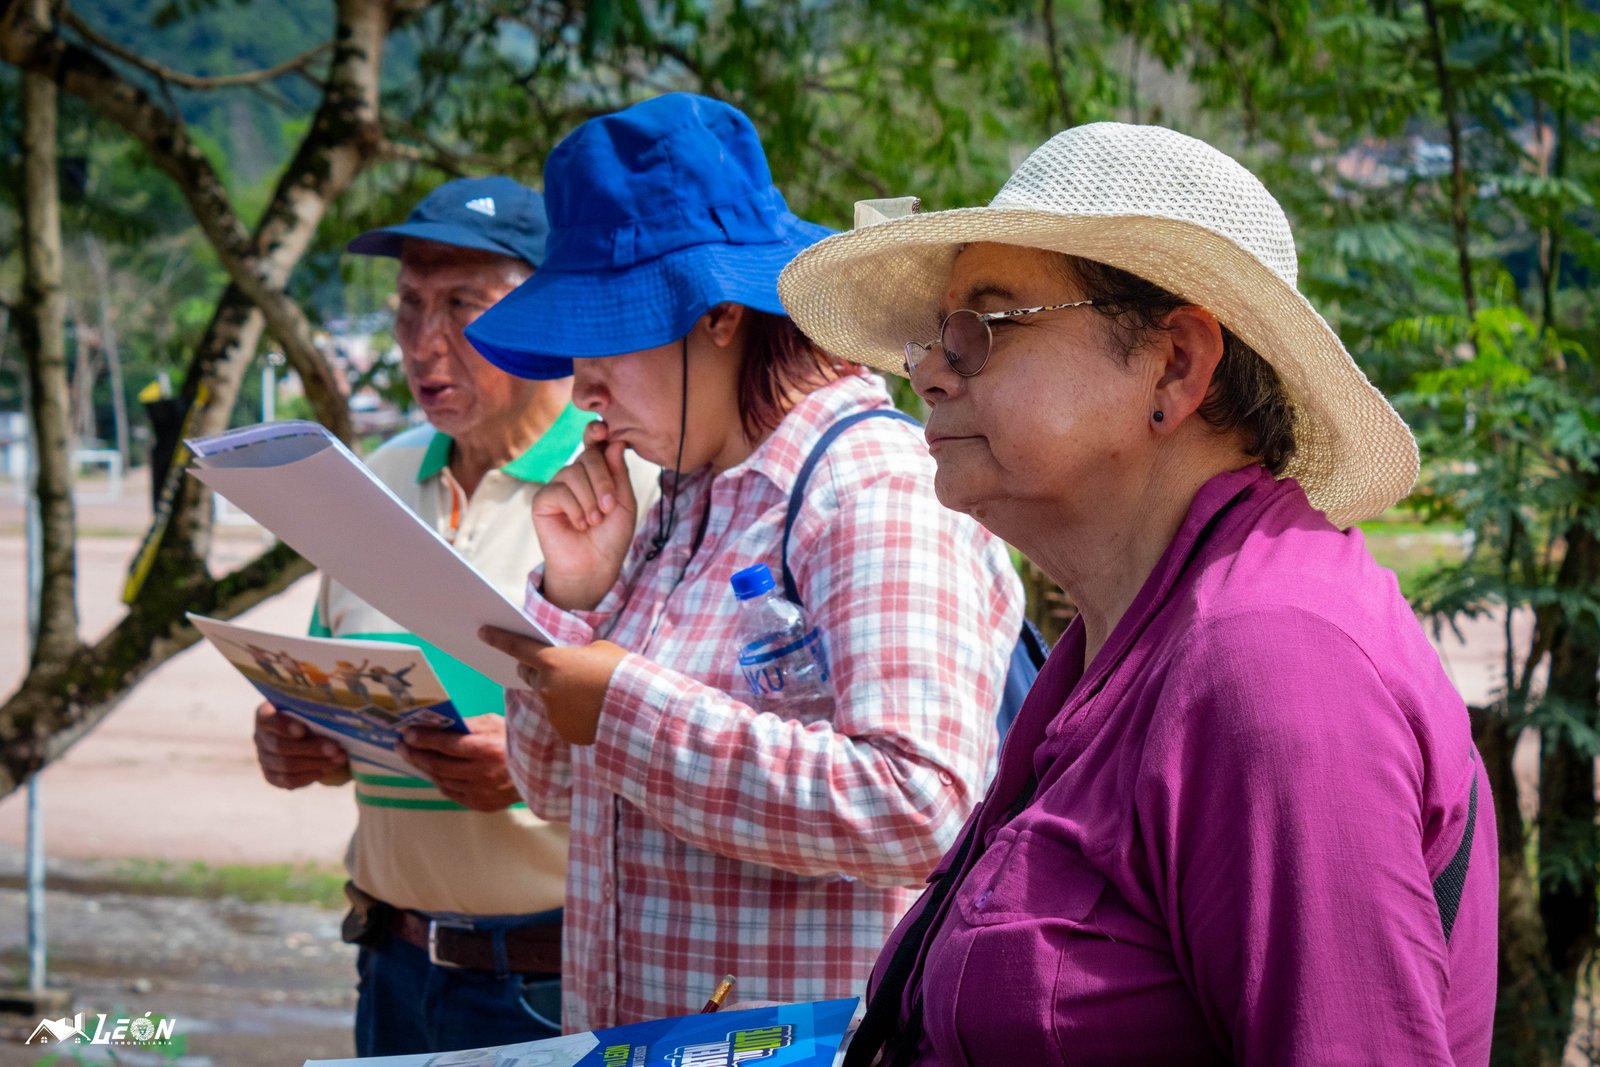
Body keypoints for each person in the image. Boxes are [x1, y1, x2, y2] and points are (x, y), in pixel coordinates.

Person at [778, 121, 1498, 1065]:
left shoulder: (1276, 670)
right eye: (934, 337)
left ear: (1175, 367)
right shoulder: (1144, 629)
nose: (931, 371)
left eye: (983, 328)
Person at [467, 93, 1025, 1032]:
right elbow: (556, 788)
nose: (582, 385)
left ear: (720, 316)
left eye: (607, 333)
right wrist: (575, 593)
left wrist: (626, 702)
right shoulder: (679, 497)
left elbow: (919, 805)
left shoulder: (869, 485)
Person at [248, 176, 656, 1056]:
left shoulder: (629, 487)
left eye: (462, 307)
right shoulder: (373, 480)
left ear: (546, 313)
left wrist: (539, 766)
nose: (424, 345)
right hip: (389, 963)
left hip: (547, 981)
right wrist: (303, 736)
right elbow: (334, 672)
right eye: (407, 309)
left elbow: (691, 741)